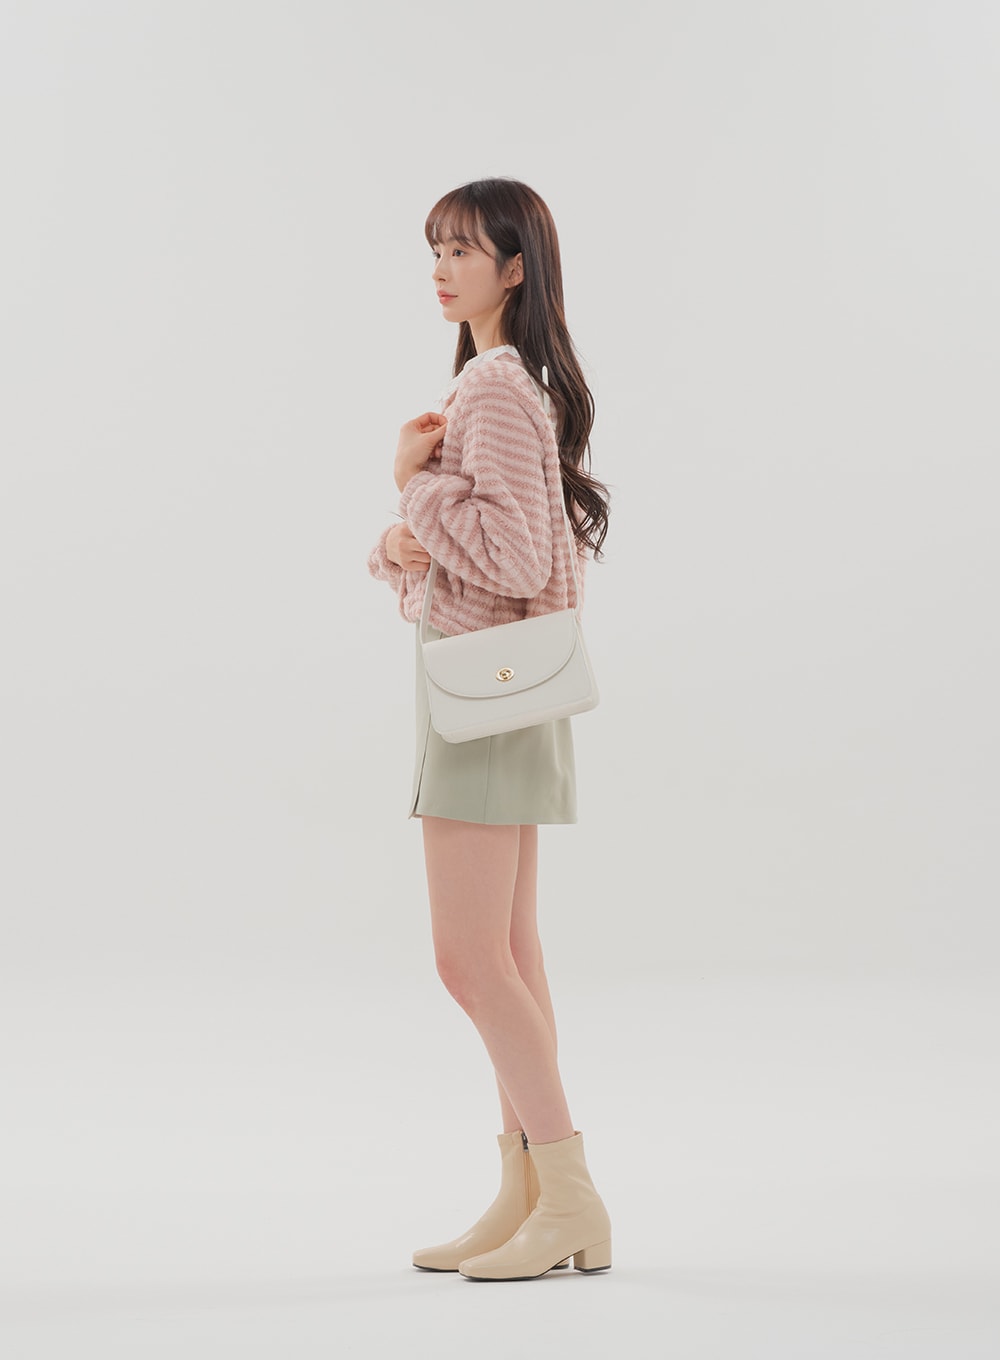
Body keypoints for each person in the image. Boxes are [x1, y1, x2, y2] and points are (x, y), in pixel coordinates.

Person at [367, 178, 611, 1282]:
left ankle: (570, 1192)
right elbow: (494, 551)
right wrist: (401, 539)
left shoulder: (494, 387)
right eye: (437, 246)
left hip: (483, 701)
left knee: (467, 959)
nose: (442, 265)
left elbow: (510, 558)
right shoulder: (501, 384)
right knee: (507, 950)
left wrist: (410, 486)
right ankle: (531, 1194)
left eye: (465, 249)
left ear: (515, 269)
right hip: (501, 691)